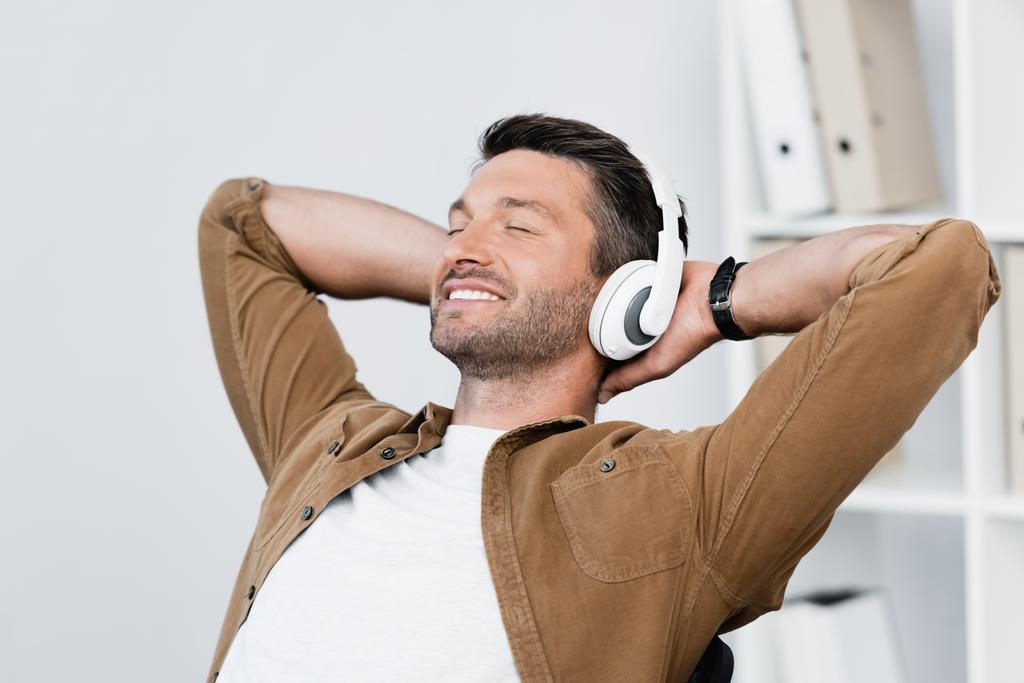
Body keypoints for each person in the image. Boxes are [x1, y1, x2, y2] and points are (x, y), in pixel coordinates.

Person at [196, 113, 1001, 682]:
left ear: (630, 293)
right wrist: (472, 273)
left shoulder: (685, 501)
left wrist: (710, 299)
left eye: (519, 226)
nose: (465, 243)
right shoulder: (332, 440)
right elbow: (242, 224)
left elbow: (943, 266)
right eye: (457, 224)